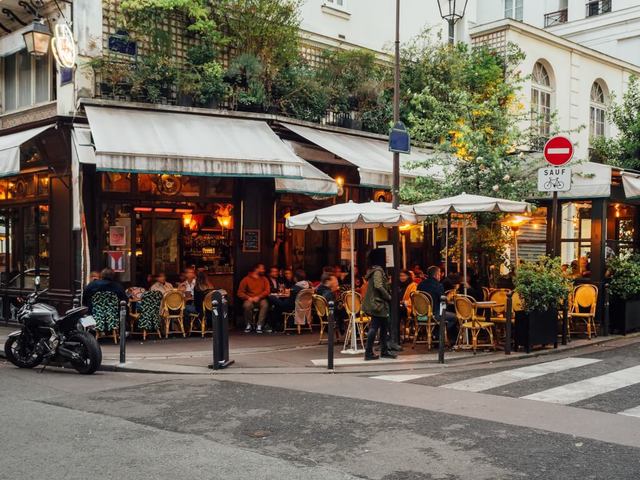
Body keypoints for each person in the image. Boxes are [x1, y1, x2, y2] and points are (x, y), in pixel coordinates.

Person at [362, 248, 396, 361]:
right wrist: (388, 296)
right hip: (378, 303)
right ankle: (368, 352)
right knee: (375, 327)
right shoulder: (378, 271)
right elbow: (378, 285)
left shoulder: (375, 270)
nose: (386, 258)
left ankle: (384, 350)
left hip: (378, 303)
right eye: (384, 256)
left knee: (383, 326)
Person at [418, 266, 458, 342]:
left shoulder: (420, 285)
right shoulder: (438, 285)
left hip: (421, 317)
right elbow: (443, 301)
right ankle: (448, 340)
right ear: (436, 275)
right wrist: (448, 300)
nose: (440, 276)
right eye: (439, 274)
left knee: (440, 314)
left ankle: (436, 337)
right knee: (454, 317)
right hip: (433, 316)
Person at [238, 263, 270, 334]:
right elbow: (240, 292)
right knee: (247, 305)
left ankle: (259, 325)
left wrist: (259, 297)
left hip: (261, 299)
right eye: (262, 268)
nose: (263, 270)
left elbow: (267, 291)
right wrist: (248, 297)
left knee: (265, 305)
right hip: (250, 299)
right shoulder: (246, 279)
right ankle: (248, 324)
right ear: (256, 269)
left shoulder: (264, 279)